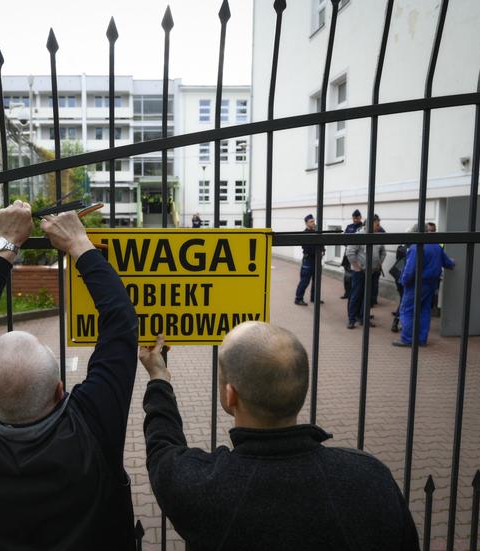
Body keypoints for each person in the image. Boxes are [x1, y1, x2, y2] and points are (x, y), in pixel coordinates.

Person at [0, 200, 139, 550]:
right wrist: (79, 244)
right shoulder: (91, 428)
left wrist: (6, 242)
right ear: (59, 390)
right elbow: (121, 322)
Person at [140, 324, 420, 551]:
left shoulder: (204, 487)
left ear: (230, 395)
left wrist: (159, 378)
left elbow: (162, 449)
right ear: (301, 388)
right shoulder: (371, 479)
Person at [393, 238, 455, 347]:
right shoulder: (436, 246)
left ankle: (407, 339)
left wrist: (404, 282)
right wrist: (453, 261)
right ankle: (421, 339)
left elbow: (410, 269)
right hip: (431, 283)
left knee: (407, 311)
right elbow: (448, 263)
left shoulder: (416, 247)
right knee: (424, 311)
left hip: (416, 284)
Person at [344, 215, 385, 329]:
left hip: (372, 272)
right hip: (360, 272)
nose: (379, 226)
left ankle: (363, 318)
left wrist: (378, 263)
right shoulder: (359, 236)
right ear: (370, 224)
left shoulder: (378, 236)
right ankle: (351, 319)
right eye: (377, 224)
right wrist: (356, 267)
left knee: (367, 297)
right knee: (356, 295)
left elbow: (383, 252)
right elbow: (350, 252)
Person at [294, 214, 325, 306]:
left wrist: (323, 250)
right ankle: (298, 299)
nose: (313, 223)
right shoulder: (304, 234)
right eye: (311, 221)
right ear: (306, 223)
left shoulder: (316, 232)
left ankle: (314, 298)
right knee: (304, 281)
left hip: (317, 260)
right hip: (309, 260)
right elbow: (307, 248)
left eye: (313, 221)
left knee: (317, 280)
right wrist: (317, 251)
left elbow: (321, 243)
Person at [340, 209, 363, 299]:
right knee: (347, 275)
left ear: (360, 217)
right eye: (354, 218)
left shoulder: (362, 227)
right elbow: (344, 239)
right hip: (347, 254)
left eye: (357, 218)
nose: (355, 220)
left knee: (355, 275)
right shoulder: (349, 226)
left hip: (357, 256)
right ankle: (347, 293)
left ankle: (354, 294)